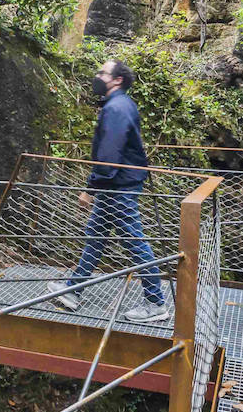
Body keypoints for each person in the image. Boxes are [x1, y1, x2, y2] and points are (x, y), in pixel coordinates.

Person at [48, 59, 171, 324]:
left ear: (117, 80)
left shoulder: (117, 108)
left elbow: (108, 157)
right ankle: (73, 289)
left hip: (119, 186)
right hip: (117, 184)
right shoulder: (118, 105)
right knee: (96, 236)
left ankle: (156, 303)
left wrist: (90, 189)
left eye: (102, 73)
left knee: (134, 242)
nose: (97, 76)